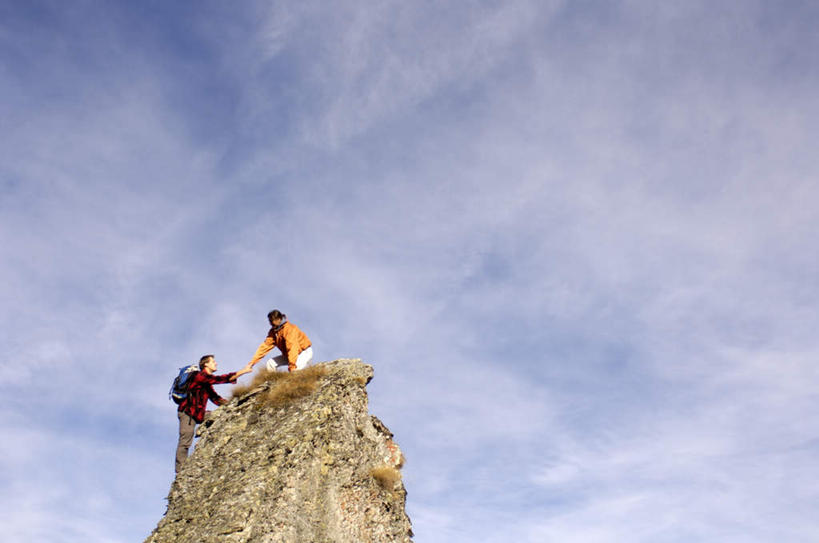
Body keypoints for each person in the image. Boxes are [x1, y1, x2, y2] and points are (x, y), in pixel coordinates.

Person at [175, 354, 252, 473]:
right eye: (213, 361)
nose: (216, 363)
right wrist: (243, 371)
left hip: (199, 414)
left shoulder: (206, 382)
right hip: (187, 413)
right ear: (205, 364)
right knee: (185, 442)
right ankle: (180, 471)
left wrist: (231, 405)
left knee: (219, 416)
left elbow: (215, 398)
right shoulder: (199, 377)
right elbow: (221, 379)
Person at [248, 309, 313, 373]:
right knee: (270, 364)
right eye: (270, 322)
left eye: (272, 322)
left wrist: (292, 366)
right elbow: (264, 347)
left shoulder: (289, 329)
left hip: (303, 352)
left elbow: (292, 348)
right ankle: (272, 382)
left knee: (295, 372)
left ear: (279, 319)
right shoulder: (273, 332)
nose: (271, 324)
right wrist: (252, 363)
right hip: (290, 354)